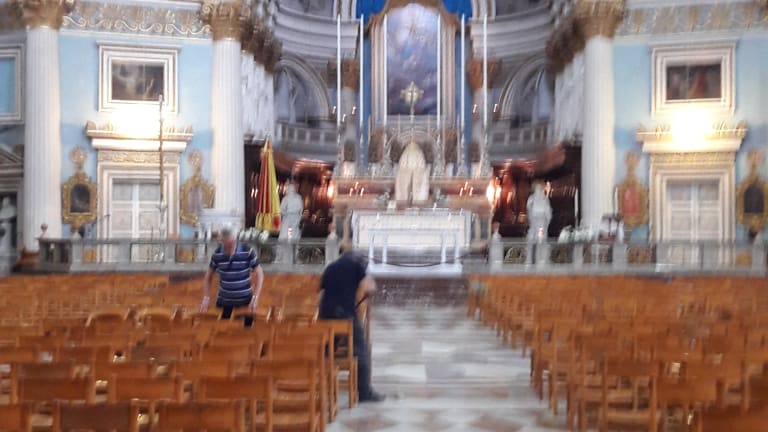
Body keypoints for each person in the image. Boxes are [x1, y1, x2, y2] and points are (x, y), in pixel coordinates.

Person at [319, 242, 384, 403]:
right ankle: (364, 392)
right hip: (345, 314)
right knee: (360, 350)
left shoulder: (331, 267)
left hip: (326, 315)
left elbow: (319, 292)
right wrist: (367, 294)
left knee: (325, 351)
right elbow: (369, 286)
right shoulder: (358, 263)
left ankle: (318, 384)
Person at [200, 228, 264, 327]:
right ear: (222, 242)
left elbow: (259, 274)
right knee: (224, 332)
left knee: (246, 332)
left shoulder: (247, 251)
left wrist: (255, 298)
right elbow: (208, 277)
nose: (231, 247)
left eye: (232, 243)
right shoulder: (217, 254)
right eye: (228, 244)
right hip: (224, 302)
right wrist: (206, 298)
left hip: (245, 302)